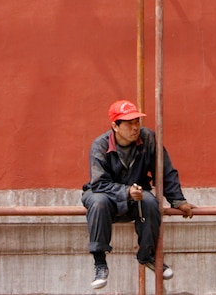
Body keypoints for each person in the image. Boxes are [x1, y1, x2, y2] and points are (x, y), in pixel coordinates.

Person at [81, 100, 194, 289]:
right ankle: (100, 262)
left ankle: (147, 256)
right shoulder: (100, 145)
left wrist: (178, 201)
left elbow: (164, 170)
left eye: (137, 122)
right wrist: (126, 192)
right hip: (103, 192)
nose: (135, 128)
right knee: (98, 202)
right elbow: (99, 182)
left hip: (138, 193)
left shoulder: (148, 138)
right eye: (128, 123)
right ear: (115, 126)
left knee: (150, 202)